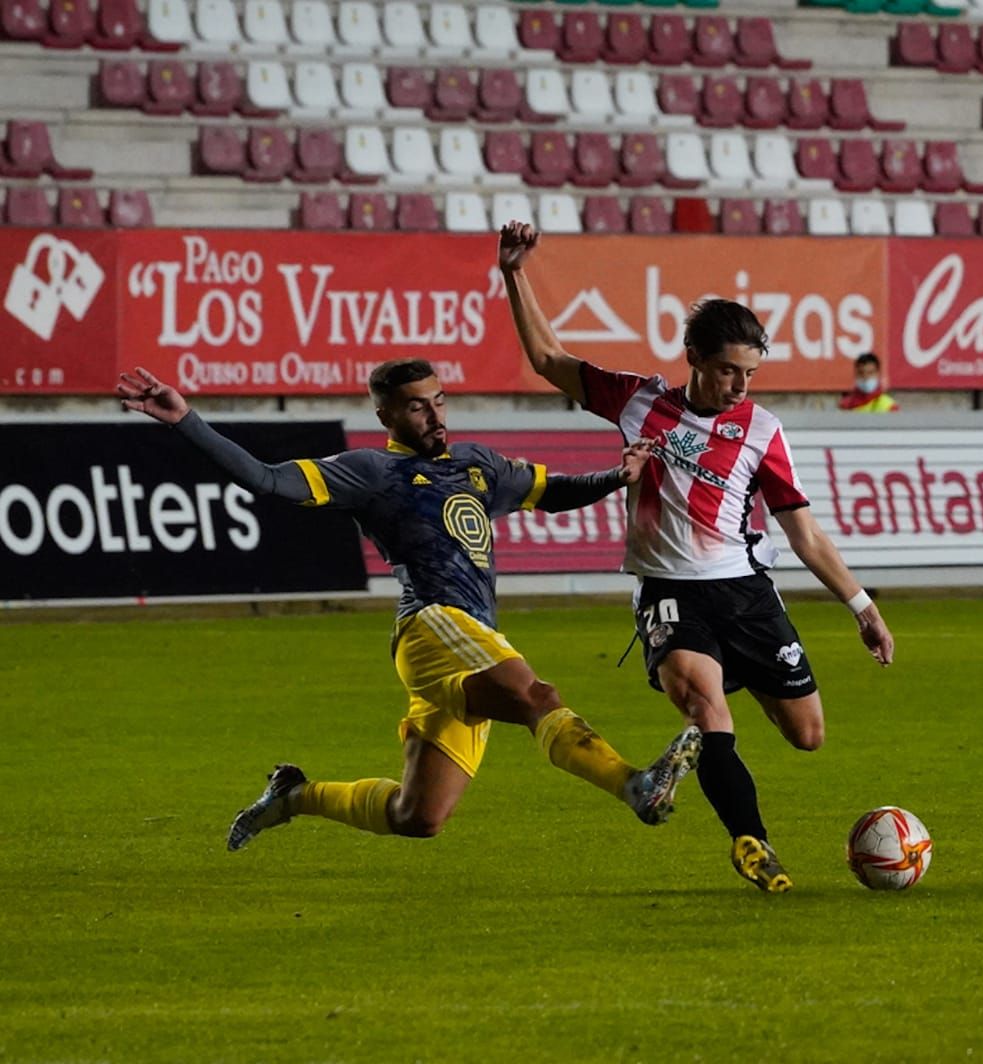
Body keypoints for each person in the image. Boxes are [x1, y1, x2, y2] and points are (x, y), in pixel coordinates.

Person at [115, 360, 702, 851]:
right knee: (537, 698)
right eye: (418, 406)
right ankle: (635, 785)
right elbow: (268, 480)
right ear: (387, 416)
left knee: (417, 816)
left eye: (440, 400)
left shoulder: (478, 464)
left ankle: (291, 795)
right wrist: (185, 421)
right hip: (433, 624)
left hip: (464, 639)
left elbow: (549, 491)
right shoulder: (372, 472)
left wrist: (616, 476)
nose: (434, 414)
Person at [497, 222, 896, 894]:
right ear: (693, 357)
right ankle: (752, 843)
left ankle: (721, 726)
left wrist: (862, 607)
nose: (740, 385)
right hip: (668, 593)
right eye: (727, 370)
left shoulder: (763, 431)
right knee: (708, 712)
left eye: (750, 373)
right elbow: (546, 358)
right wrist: (513, 272)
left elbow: (804, 532)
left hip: (745, 590)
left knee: (806, 734)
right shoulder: (638, 402)